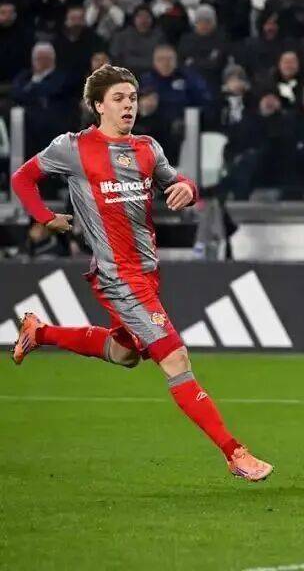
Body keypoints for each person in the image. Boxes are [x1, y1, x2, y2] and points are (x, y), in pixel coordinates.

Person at [9, 64, 272, 482]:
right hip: (117, 276)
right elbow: (23, 178)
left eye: (132, 98)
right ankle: (234, 453)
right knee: (175, 358)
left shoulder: (147, 148)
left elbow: (178, 182)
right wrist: (45, 217)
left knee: (124, 353)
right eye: (118, 98)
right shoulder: (73, 147)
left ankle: (40, 333)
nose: (128, 105)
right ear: (98, 105)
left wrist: (187, 188)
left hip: (147, 272)